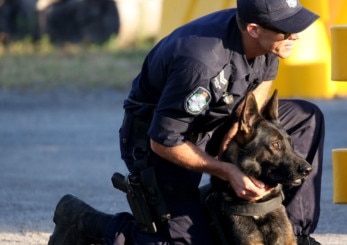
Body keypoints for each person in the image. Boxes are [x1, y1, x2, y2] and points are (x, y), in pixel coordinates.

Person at [48, 0, 325, 244]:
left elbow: (264, 77)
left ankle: (294, 236)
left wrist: (238, 124)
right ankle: (83, 222)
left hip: (215, 119)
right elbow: (163, 140)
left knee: (306, 118)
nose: (295, 35)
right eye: (286, 30)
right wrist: (227, 170)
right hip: (159, 141)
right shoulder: (202, 64)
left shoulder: (262, 36)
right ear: (253, 29)